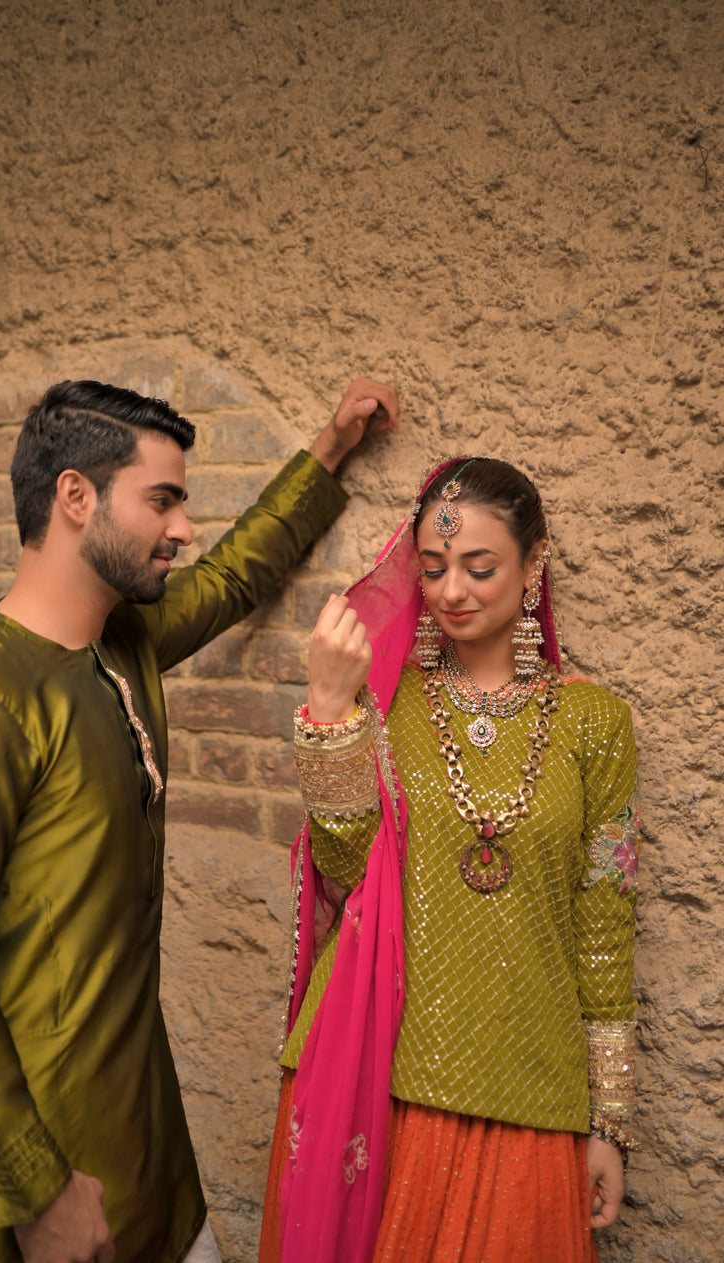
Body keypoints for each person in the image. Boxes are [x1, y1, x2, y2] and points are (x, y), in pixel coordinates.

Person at [0, 374, 399, 1263]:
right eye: (161, 500)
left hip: (141, 1131)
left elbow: (234, 576)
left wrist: (332, 447)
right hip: (26, 1168)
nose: (182, 528)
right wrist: (38, 1190)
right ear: (75, 497)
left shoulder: (120, 648)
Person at [259, 455, 640, 1263]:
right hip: (374, 1071)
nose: (452, 590)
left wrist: (608, 1119)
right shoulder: (387, 700)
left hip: (526, 1089)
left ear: (535, 564)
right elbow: (343, 863)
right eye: (432, 569)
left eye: (479, 566)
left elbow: (606, 923)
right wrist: (330, 709)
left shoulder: (597, 726)